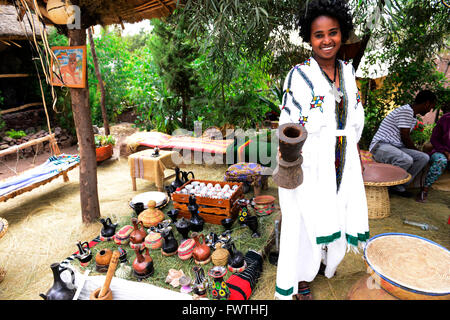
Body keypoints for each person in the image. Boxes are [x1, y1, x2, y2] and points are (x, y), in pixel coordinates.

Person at [275, 0, 369, 300]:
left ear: (342, 33)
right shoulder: (300, 75)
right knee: (302, 218)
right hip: (311, 161)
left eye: (333, 32)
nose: (327, 40)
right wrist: (290, 160)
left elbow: (355, 118)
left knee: (335, 210)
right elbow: (289, 124)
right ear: (309, 38)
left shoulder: (348, 72)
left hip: (343, 160)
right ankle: (300, 278)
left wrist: (354, 152)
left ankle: (324, 263)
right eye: (319, 35)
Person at [369, 90, 437, 197]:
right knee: (406, 159)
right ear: (427, 103)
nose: (430, 110)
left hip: (396, 147)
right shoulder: (406, 111)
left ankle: (400, 186)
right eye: (431, 107)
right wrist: (416, 149)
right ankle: (388, 185)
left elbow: (404, 139)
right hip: (381, 146)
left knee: (423, 157)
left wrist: (417, 152)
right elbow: (405, 137)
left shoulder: (413, 116)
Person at [416, 102, 450, 202]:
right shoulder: (446, 119)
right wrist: (445, 152)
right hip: (441, 151)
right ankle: (424, 190)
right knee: (441, 161)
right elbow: (434, 139)